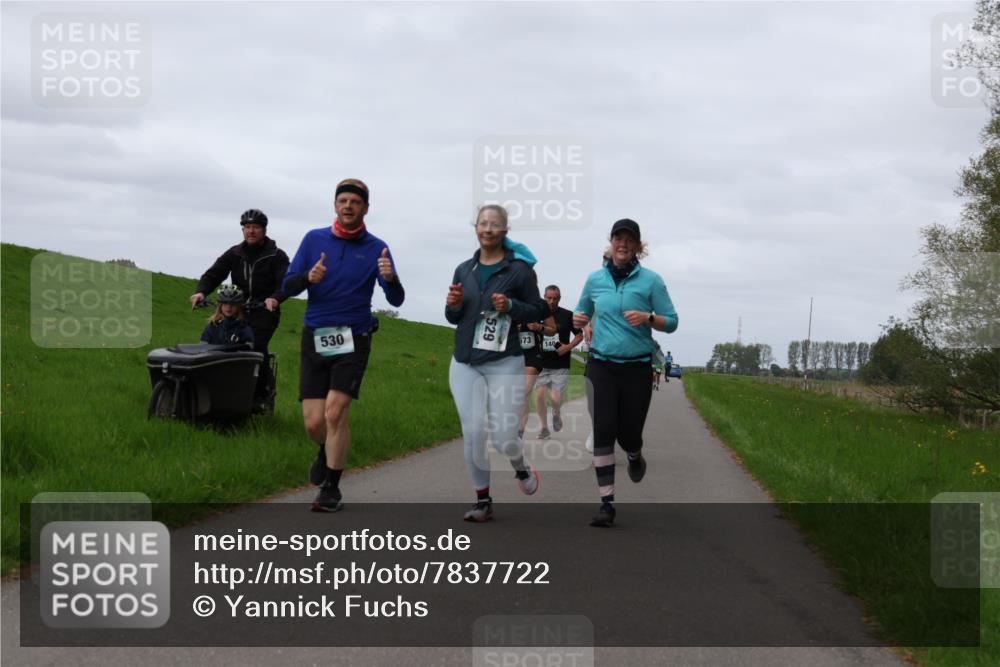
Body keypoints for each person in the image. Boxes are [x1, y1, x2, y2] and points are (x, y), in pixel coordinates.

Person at [282, 179, 404, 512]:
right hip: (315, 336)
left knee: (335, 413)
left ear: (365, 208)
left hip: (354, 336)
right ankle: (324, 451)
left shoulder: (377, 247)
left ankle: (331, 490)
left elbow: (396, 298)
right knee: (314, 423)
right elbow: (287, 286)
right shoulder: (313, 239)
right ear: (335, 206)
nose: (348, 206)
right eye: (343, 201)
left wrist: (390, 277)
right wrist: (308, 278)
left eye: (355, 202)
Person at [573, 218, 678, 527]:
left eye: (629, 240)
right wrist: (580, 321)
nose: (622, 244)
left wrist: (649, 317)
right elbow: (580, 314)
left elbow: (672, 321)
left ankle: (634, 453)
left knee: (629, 434)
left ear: (637, 247)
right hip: (601, 365)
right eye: (618, 238)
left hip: (635, 368)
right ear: (611, 242)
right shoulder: (595, 280)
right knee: (604, 430)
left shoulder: (651, 281)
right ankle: (606, 504)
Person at [446, 204, 548, 522]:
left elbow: (539, 310)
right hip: (465, 361)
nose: (487, 229)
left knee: (504, 438)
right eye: (482, 223)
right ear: (475, 228)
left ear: (505, 231)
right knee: (473, 430)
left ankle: (520, 467)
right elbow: (453, 317)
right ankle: (482, 500)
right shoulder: (464, 269)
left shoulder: (519, 270)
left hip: (504, 361)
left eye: (494, 224)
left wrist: (512, 305)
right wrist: (453, 305)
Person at [191, 209, 289, 412]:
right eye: (247, 227)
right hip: (238, 309)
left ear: (264, 230)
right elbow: (214, 273)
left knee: (255, 349)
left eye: (255, 227)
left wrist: (275, 298)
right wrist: (201, 292)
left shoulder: (276, 255)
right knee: (222, 348)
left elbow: (284, 283)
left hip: (264, 311)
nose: (251, 231)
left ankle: (263, 395)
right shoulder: (235, 253)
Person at [534, 285, 584, 438]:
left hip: (560, 364)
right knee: (540, 396)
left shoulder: (567, 315)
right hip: (541, 364)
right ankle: (544, 429)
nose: (551, 301)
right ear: (544, 297)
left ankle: (556, 413)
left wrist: (567, 347)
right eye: (548, 298)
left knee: (555, 398)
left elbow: (579, 336)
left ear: (559, 298)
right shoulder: (536, 314)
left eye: (555, 298)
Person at [516, 316, 556, 440]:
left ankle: (519, 434)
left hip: (533, 358)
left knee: (524, 394)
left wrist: (539, 327)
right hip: (514, 357)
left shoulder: (537, 308)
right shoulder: (511, 306)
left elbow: (552, 330)